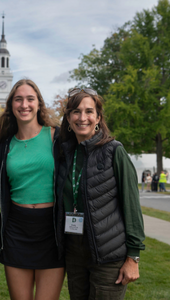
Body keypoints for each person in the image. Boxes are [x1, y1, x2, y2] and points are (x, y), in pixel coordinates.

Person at [55, 88, 145, 300]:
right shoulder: (65, 154)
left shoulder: (114, 151)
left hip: (108, 256)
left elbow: (131, 205)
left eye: (89, 111)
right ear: (68, 118)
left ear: (98, 118)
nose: (82, 117)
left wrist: (133, 257)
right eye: (76, 112)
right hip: (75, 253)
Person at [0, 79, 65, 300]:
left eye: (30, 99)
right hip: (16, 230)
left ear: (39, 104)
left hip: (51, 231)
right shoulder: (4, 144)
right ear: (11, 105)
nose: (24, 105)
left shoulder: (57, 137)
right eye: (18, 99)